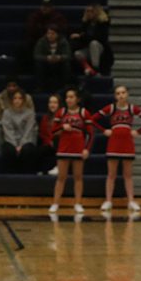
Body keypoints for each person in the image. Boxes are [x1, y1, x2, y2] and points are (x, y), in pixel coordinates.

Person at [91, 85, 141, 213]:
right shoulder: (111, 108)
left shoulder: (132, 109)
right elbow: (92, 119)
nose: (121, 95)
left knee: (128, 174)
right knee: (111, 174)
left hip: (127, 143)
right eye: (118, 93)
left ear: (127, 94)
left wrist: (139, 131)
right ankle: (108, 201)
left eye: (123, 92)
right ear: (115, 96)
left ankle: (131, 200)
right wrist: (104, 130)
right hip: (114, 143)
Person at [48, 87, 93, 215]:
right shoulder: (61, 112)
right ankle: (55, 203)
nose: (69, 99)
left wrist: (86, 149)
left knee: (78, 177)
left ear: (78, 99)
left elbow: (90, 133)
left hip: (78, 148)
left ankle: (78, 203)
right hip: (64, 148)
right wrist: (62, 127)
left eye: (71, 97)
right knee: (61, 177)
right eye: (67, 97)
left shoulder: (84, 113)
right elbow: (53, 131)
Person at [18, 0, 68, 74]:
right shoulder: (34, 16)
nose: (45, 8)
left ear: (52, 7)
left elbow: (61, 31)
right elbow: (30, 30)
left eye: (48, 6)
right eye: (43, 6)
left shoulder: (58, 17)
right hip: (37, 42)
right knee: (23, 48)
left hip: (54, 44)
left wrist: (47, 33)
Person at [0, 90, 38, 171]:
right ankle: (10, 176)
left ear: (24, 100)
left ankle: (26, 176)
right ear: (11, 100)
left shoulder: (30, 113)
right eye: (15, 98)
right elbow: (8, 131)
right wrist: (15, 146)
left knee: (27, 150)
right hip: (11, 141)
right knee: (9, 151)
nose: (17, 101)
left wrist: (21, 145)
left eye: (20, 98)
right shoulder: (6, 112)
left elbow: (29, 131)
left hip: (26, 140)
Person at [70, 3, 111, 77]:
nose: (89, 13)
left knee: (93, 43)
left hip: (100, 48)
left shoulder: (103, 23)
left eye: (91, 11)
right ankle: (90, 70)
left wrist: (81, 36)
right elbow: (84, 38)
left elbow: (99, 38)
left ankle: (96, 68)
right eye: (87, 11)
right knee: (77, 53)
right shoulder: (86, 23)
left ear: (96, 12)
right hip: (89, 48)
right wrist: (79, 37)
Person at [33, 26, 72, 93]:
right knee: (38, 64)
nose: (50, 35)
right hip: (46, 64)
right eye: (48, 33)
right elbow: (36, 55)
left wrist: (59, 57)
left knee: (66, 64)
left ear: (57, 34)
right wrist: (46, 58)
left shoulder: (63, 41)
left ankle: (65, 86)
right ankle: (40, 87)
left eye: (53, 33)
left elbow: (68, 55)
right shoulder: (42, 41)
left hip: (59, 64)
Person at [37, 93, 61, 174]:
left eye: (55, 102)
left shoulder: (63, 116)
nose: (52, 105)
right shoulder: (45, 118)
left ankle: (58, 167)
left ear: (59, 104)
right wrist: (49, 141)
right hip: (48, 144)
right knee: (39, 150)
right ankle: (41, 171)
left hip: (60, 144)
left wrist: (53, 141)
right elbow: (42, 134)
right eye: (50, 102)